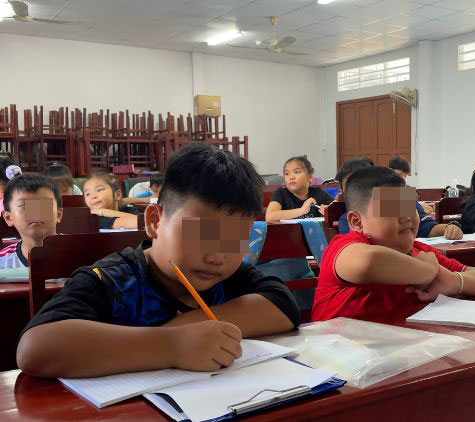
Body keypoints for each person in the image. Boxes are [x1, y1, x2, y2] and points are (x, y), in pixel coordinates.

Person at [16, 144, 300, 378]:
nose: (217, 255)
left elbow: (282, 304)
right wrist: (173, 345)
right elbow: (35, 349)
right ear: (154, 221)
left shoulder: (227, 273)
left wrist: (188, 329)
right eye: (201, 234)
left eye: (234, 239)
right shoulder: (112, 279)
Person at [311, 166, 475, 321]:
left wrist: (453, 282)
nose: (407, 216)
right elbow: (369, 262)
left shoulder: (418, 251)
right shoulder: (345, 247)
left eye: (409, 206)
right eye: (392, 208)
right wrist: (430, 270)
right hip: (337, 356)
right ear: (357, 222)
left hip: (404, 352)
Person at [335, 158, 462, 240]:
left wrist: (449, 228)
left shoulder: (400, 201)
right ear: (341, 189)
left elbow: (428, 228)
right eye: (352, 185)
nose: (362, 189)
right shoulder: (348, 220)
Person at [0, 174, 63, 268]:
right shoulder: (2, 262)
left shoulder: (83, 253)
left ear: (58, 214)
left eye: (43, 204)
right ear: (9, 218)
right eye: (23, 205)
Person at [265, 156, 333, 221]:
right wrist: (302, 210)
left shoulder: (318, 192)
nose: (291, 177)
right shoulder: (281, 193)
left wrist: (329, 211)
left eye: (297, 172)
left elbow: (338, 209)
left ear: (309, 177)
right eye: (287, 173)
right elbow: (270, 216)